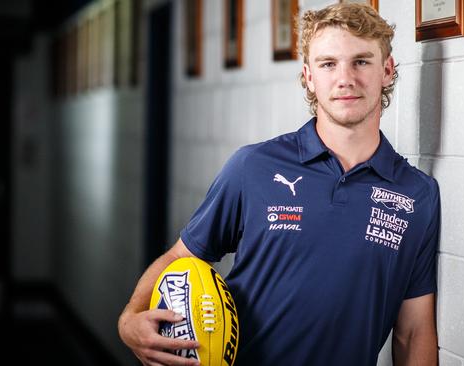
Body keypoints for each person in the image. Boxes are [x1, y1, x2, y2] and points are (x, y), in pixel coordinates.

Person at [118, 3, 440, 365]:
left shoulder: (416, 195)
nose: (346, 78)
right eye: (328, 64)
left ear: (387, 70)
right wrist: (130, 319)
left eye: (361, 61)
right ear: (308, 76)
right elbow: (181, 256)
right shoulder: (254, 166)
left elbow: (414, 332)